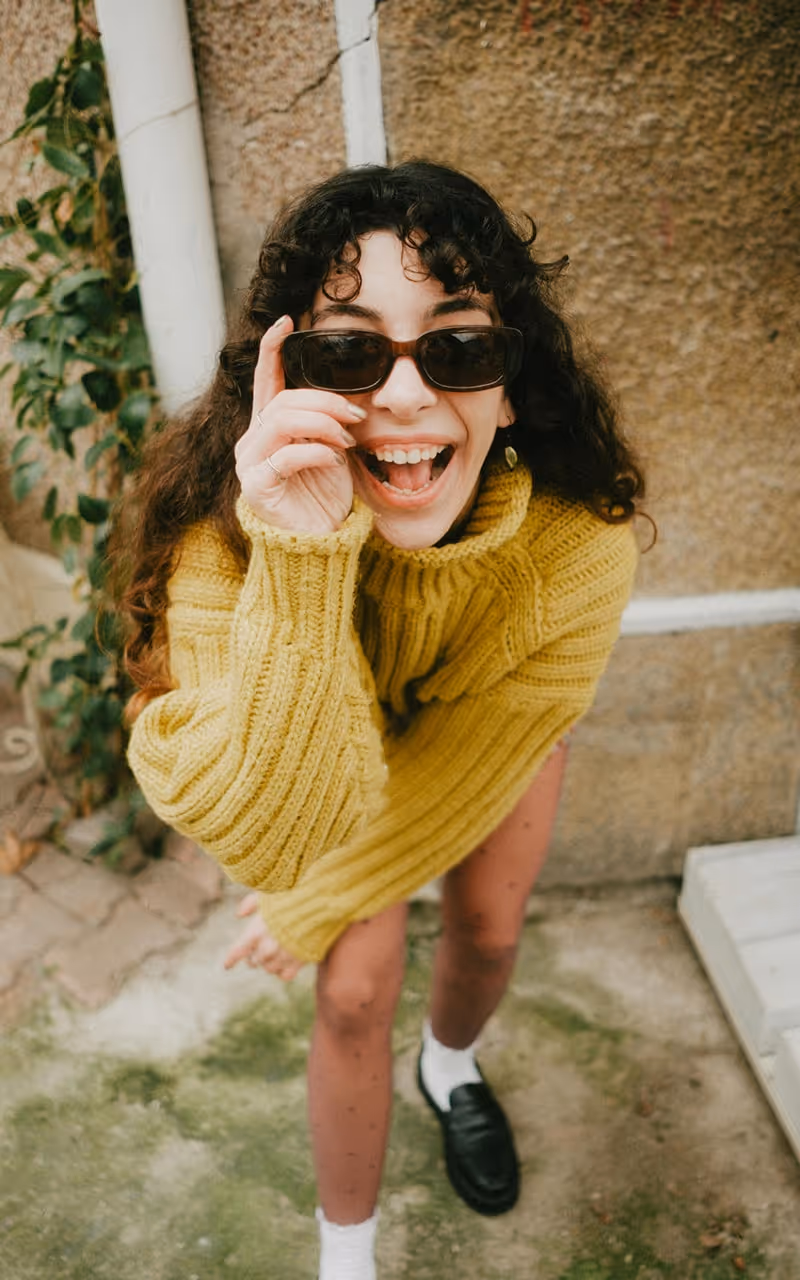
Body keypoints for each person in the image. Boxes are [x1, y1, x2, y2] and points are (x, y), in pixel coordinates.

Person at [119, 159, 644, 1280]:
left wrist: (317, 896)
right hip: (323, 735)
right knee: (354, 988)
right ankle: (345, 1255)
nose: (402, 397)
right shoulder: (225, 541)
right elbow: (259, 830)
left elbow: (465, 758)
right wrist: (301, 553)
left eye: (456, 347)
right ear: (281, 377)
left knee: (490, 933)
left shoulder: (575, 553)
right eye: (350, 351)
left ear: (509, 385)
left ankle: (448, 1064)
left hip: (480, 731)